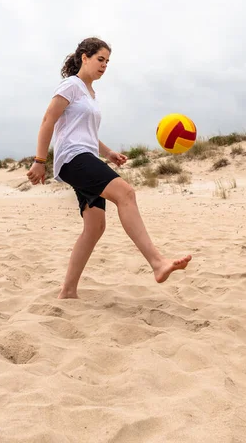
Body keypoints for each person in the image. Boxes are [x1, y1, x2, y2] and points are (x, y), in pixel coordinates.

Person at [27, 37, 192, 299]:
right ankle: (158, 263)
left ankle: (67, 291)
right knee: (125, 193)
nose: (104, 65)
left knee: (95, 228)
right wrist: (39, 160)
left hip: (85, 155)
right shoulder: (71, 85)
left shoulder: (91, 94)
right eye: (100, 59)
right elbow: (49, 119)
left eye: (107, 62)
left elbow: (85, 132)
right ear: (84, 57)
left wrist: (108, 153)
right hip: (73, 158)